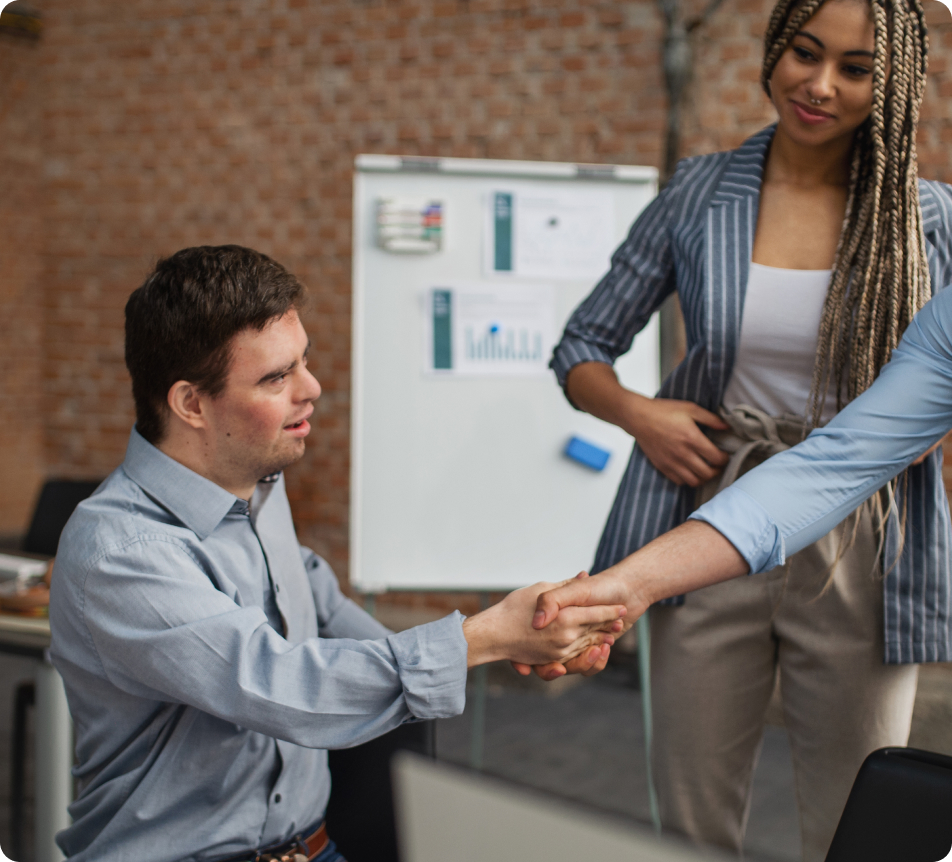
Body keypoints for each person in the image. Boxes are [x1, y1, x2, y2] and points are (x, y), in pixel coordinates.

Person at [49, 245, 627, 862]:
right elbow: (281, 685)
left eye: (304, 362)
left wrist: (525, 636)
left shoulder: (256, 482)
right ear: (191, 404)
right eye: (276, 377)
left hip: (314, 848)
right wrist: (482, 639)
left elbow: (310, 591)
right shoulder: (122, 553)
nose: (313, 388)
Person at [544, 0, 952, 857]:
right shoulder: (699, 192)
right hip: (708, 508)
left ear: (893, 87)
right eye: (805, 53)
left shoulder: (927, 222)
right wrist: (638, 413)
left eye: (856, 68)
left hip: (866, 529)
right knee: (690, 810)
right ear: (773, 52)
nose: (820, 84)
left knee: (860, 811)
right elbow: (582, 346)